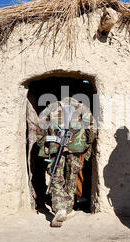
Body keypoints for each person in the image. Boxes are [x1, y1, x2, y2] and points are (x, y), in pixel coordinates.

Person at [37, 97, 97, 227]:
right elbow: (92, 129)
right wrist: (85, 145)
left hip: (55, 146)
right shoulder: (83, 108)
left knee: (55, 175)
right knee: (72, 176)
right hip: (75, 147)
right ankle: (68, 208)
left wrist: (44, 145)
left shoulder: (51, 107)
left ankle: (60, 208)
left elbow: (41, 127)